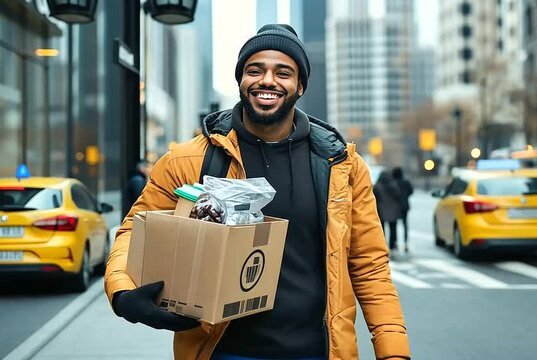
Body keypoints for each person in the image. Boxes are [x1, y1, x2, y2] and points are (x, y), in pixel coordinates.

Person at [105, 24, 410, 360]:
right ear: (241, 81)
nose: (268, 80)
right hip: (220, 351)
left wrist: (393, 352)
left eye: (283, 72)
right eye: (255, 70)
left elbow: (370, 267)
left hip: (317, 351)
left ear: (301, 86)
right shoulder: (188, 159)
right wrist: (123, 293)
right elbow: (135, 231)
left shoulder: (342, 167)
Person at [373, 170, 402, 252]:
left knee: (381, 229)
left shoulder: (377, 186)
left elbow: (374, 198)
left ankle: (383, 244)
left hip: (381, 210)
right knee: (393, 228)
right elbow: (398, 196)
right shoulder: (394, 185)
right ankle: (392, 245)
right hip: (393, 210)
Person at [392, 167, 414, 253]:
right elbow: (411, 191)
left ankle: (395, 243)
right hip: (405, 205)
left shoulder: (393, 182)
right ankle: (405, 243)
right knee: (405, 225)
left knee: (394, 225)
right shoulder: (406, 182)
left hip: (395, 206)